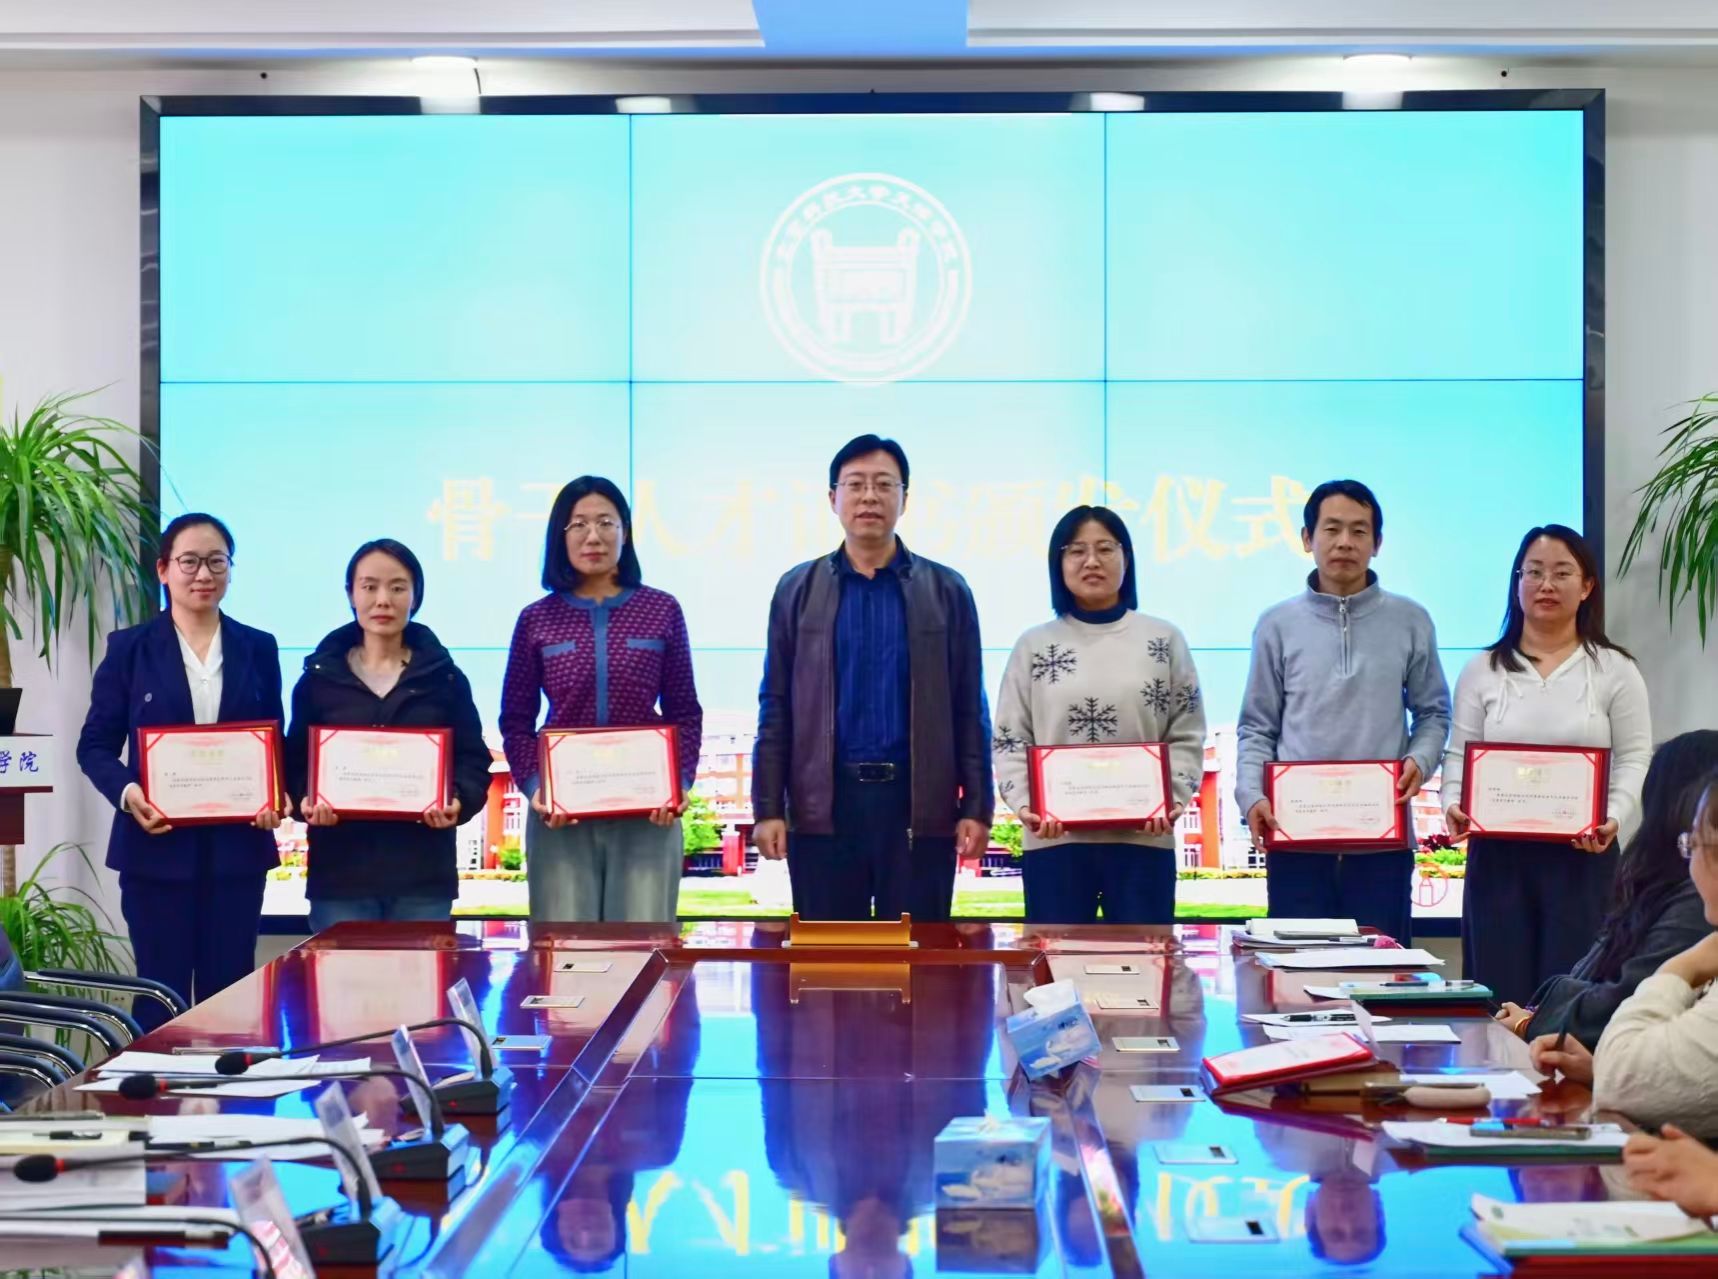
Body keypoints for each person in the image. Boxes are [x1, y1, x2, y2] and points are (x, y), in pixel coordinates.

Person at [751, 435, 992, 922]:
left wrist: (977, 807)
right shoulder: (797, 589)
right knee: (830, 959)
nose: (869, 497)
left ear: (905, 498)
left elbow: (969, 708)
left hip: (917, 805)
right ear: (832, 498)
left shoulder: (947, 590)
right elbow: (775, 704)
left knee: (919, 956)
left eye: (884, 485)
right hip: (824, 807)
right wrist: (768, 807)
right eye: (855, 484)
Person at [76, 513, 286, 1030]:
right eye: (189, 562)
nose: (204, 574)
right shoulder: (130, 648)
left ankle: (225, 1084)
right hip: (155, 854)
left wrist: (274, 794)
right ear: (163, 570)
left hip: (237, 854)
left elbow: (272, 741)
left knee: (229, 999)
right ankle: (155, 1085)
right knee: (160, 998)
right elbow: (94, 745)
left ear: (230, 569)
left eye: (217, 561)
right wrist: (129, 793)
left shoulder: (258, 647)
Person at [1443, 524, 1653, 1005]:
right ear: (1517, 584)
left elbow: (1635, 754)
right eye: (1533, 572)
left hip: (1583, 857)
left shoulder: (1615, 669)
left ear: (1587, 586)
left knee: (1573, 995)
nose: (1546, 585)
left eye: (1562, 573)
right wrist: (1453, 803)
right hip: (1498, 859)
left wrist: (1613, 817)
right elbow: (1458, 754)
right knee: (1498, 993)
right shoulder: (1482, 669)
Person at [1235, 479, 1450, 944]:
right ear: (1307, 538)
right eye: (1331, 529)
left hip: (1381, 844)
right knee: (1297, 973)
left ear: (1377, 543)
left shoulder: (1411, 620)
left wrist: (1420, 760)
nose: (1345, 542)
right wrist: (1251, 795)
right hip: (1296, 841)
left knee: (1382, 971)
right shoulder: (1276, 624)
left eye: (1359, 530)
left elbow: (1433, 713)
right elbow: (1256, 727)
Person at [500, 476, 701, 922]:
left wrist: (679, 784)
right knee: (564, 949)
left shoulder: (662, 609)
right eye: (578, 524)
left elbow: (685, 711)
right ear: (560, 536)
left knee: (643, 945)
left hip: (648, 813)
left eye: (606, 522)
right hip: (560, 816)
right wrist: (535, 788)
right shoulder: (536, 619)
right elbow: (515, 720)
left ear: (625, 532)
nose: (593, 536)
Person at [992, 505, 1206, 923]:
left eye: (1105, 549)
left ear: (1127, 558)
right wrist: (1027, 805)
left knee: (1145, 959)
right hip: (1054, 842)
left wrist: (1172, 798)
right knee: (1057, 961)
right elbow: (1009, 737)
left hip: (1144, 840)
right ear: (1058, 563)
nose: (1091, 561)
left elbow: (1187, 730)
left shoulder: (1164, 639)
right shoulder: (1033, 645)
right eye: (1076, 551)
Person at [282, 539, 492, 931]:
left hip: (423, 876)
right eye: (369, 586)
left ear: (415, 596)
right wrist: (306, 798)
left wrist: (458, 800)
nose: (383, 600)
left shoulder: (445, 678)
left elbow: (472, 759)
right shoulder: (318, 680)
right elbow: (294, 762)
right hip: (341, 875)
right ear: (351, 594)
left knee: (419, 973)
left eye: (397, 587)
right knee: (340, 974)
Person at [1493, 731, 1718, 1045]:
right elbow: (1594, 974)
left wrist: (1530, 1024)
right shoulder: (1655, 880)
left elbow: (1626, 999)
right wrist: (1534, 1018)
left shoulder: (1698, 899)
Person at [1530, 769, 1718, 1138]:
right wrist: (1600, 1069)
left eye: (1692, 844)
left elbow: (1621, 1081)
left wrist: (1679, 970)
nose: (1689, 863)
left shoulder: (1697, 939)